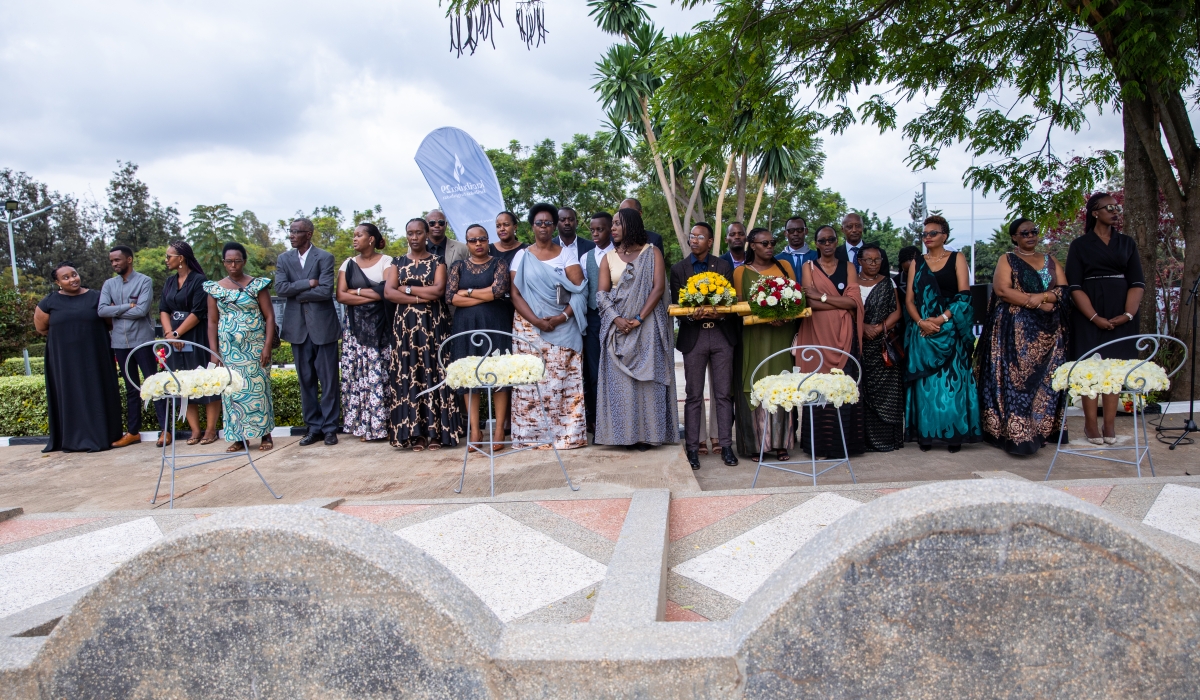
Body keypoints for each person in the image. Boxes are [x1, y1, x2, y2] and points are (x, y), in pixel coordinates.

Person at [976, 218, 1070, 454]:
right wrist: (1036, 301)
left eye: (1034, 231)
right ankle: (1017, 434)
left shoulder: (1050, 259)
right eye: (1024, 232)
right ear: (1014, 237)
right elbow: (1002, 290)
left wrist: (1046, 298)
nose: (1030, 235)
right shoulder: (1007, 259)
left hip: (1050, 332)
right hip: (1015, 332)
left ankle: (1043, 430)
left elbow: (1064, 289)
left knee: (1048, 382)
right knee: (1016, 381)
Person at [595, 207, 679, 449]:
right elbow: (601, 294)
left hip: (647, 326)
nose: (612, 228)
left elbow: (658, 289)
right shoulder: (608, 257)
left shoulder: (652, 253)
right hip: (617, 329)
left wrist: (638, 319)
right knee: (621, 386)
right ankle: (623, 436)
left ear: (630, 225)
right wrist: (616, 318)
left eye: (617, 224)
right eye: (612, 224)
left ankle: (648, 435)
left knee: (647, 384)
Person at [1066, 192, 1145, 445]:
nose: (1114, 211)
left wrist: (1128, 314)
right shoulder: (1080, 245)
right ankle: (1090, 425)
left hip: (1122, 309)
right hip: (1088, 311)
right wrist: (1094, 317)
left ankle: (1109, 424)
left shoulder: (1127, 243)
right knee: (1091, 367)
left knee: (1115, 368)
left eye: (1116, 207)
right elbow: (1074, 286)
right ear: (1094, 212)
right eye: (1108, 207)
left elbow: (1137, 282)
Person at [509, 203, 588, 450]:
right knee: (530, 384)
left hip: (562, 325)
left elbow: (580, 290)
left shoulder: (566, 254)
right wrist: (535, 320)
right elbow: (515, 293)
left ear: (554, 226)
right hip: (528, 328)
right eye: (539, 223)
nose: (544, 227)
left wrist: (560, 318)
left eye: (548, 223)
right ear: (532, 226)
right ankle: (531, 438)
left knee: (563, 383)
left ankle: (568, 437)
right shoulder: (522, 255)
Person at [904, 215, 981, 452]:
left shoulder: (957, 258)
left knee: (952, 386)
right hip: (924, 331)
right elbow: (909, 300)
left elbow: (964, 296)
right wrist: (921, 323)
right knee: (926, 387)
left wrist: (940, 319)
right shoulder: (917, 262)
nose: (927, 238)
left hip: (950, 328)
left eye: (932, 233)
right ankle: (926, 435)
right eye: (924, 234)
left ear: (944, 235)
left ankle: (953, 435)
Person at [384, 218, 461, 450]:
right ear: (406, 235)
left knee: (434, 374)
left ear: (426, 234)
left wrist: (405, 289)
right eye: (410, 233)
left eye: (418, 232)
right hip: (404, 329)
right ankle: (415, 434)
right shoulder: (396, 262)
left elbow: (438, 291)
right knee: (409, 375)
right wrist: (419, 297)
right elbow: (389, 292)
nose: (414, 237)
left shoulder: (438, 261)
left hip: (433, 325)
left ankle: (437, 433)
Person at [34, 262, 124, 453]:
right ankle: (71, 439)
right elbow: (41, 328)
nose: (72, 279)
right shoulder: (49, 302)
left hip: (95, 355)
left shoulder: (97, 297)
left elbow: (111, 322)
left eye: (74, 274)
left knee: (97, 391)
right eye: (65, 277)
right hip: (63, 359)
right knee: (69, 393)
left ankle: (103, 436)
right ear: (58, 282)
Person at [671, 222, 739, 469]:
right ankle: (692, 449)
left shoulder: (722, 266)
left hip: (722, 336)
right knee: (693, 395)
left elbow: (731, 302)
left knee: (722, 394)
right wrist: (692, 316)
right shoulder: (679, 269)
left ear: (710, 242)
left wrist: (718, 314)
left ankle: (726, 446)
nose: (695, 239)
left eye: (700, 236)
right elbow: (677, 306)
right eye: (692, 236)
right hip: (694, 337)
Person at [795, 225, 866, 458]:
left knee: (844, 388)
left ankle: (844, 446)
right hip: (817, 334)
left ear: (837, 242)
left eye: (831, 240)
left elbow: (854, 302)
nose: (827, 244)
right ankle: (820, 445)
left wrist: (823, 296)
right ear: (816, 243)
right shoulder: (808, 267)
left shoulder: (848, 267)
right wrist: (838, 300)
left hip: (845, 334)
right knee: (819, 388)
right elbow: (810, 302)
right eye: (822, 240)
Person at [733, 228, 799, 461]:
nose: (770, 246)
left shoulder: (784, 267)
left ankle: (781, 444)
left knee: (781, 383)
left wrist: (786, 314)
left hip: (782, 334)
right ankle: (756, 445)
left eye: (772, 242)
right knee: (756, 380)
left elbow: (797, 297)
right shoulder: (741, 271)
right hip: (756, 336)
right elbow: (740, 307)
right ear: (752, 245)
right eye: (764, 243)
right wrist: (768, 313)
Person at [204, 243, 276, 452]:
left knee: (258, 390)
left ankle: (265, 435)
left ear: (244, 261)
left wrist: (267, 347)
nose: (233, 265)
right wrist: (214, 352)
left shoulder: (257, 285)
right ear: (224, 262)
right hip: (228, 350)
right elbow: (212, 322)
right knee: (232, 392)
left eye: (237, 261)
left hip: (254, 348)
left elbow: (269, 316)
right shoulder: (215, 288)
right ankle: (239, 438)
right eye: (229, 261)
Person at [275, 218, 341, 446]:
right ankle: (314, 427)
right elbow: (280, 288)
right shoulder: (284, 259)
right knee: (306, 381)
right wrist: (308, 283)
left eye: (296, 232)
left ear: (309, 234)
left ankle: (331, 428)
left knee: (329, 380)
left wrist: (300, 291)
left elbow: (324, 292)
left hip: (323, 328)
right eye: (290, 231)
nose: (292, 235)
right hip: (297, 329)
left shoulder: (324, 257)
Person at [446, 223, 512, 449]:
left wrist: (468, 292)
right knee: (469, 376)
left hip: (496, 324)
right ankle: (475, 430)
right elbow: (451, 298)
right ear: (467, 243)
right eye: (473, 240)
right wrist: (485, 295)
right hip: (466, 326)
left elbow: (499, 291)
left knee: (499, 375)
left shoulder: (499, 263)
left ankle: (499, 429)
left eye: (482, 239)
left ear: (487, 240)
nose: (478, 243)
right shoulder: (458, 266)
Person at [98, 245, 164, 447]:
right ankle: (133, 432)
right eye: (111, 261)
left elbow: (142, 310)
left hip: (142, 341)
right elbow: (101, 311)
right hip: (119, 342)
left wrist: (115, 310)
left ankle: (166, 430)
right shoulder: (109, 284)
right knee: (130, 389)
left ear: (129, 260)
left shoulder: (144, 281)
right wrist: (128, 306)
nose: (114, 264)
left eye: (117, 260)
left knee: (153, 385)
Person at [335, 223, 394, 442]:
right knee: (358, 376)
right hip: (355, 327)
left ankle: (382, 424)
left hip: (380, 327)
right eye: (354, 235)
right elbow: (341, 296)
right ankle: (363, 425)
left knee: (381, 375)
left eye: (359, 235)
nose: (354, 239)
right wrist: (372, 293)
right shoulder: (348, 264)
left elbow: (386, 292)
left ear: (371, 239)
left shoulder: (387, 261)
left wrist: (356, 291)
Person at [160, 241, 220, 446]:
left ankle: (210, 430)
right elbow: (163, 309)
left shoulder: (199, 280)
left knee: (205, 382)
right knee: (182, 382)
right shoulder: (169, 282)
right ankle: (195, 430)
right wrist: (169, 334)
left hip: (196, 336)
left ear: (181, 258)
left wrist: (178, 333)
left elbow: (198, 312)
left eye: (169, 256)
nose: (166, 260)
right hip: (174, 340)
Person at [856, 243, 905, 452]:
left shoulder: (888, 282)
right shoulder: (852, 283)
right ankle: (865, 441)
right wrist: (863, 327)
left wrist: (879, 328)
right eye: (869, 259)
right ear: (860, 261)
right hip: (859, 344)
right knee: (863, 391)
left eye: (877, 260)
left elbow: (897, 311)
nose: (874, 263)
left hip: (883, 345)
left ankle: (888, 441)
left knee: (888, 394)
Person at [582, 211, 616, 434]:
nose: (595, 233)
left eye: (600, 229)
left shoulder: (619, 254)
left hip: (616, 317)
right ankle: (596, 419)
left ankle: (617, 417)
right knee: (593, 372)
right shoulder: (585, 258)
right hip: (593, 318)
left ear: (610, 229)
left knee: (615, 370)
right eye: (592, 229)